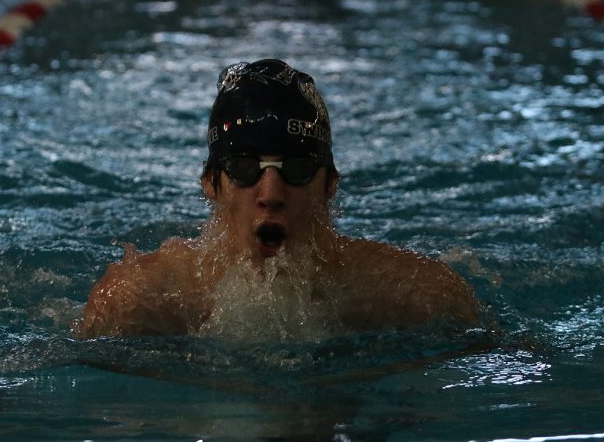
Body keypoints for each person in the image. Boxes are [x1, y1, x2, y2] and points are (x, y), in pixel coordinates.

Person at [76, 59, 481, 341]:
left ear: (330, 185)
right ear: (211, 184)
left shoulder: (414, 296)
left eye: (299, 169)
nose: (271, 195)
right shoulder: (140, 301)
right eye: (244, 169)